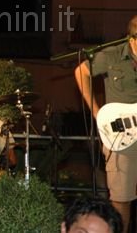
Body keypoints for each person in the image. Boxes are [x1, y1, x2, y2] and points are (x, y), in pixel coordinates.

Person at [74, 15, 137, 233]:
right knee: (121, 198)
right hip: (122, 136)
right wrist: (96, 111)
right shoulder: (112, 55)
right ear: (133, 38)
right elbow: (81, 71)